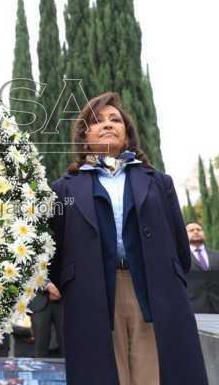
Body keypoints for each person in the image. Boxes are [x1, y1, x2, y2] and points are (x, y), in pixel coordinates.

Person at [48, 92, 208, 385]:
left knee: (155, 372)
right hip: (91, 293)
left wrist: (168, 278)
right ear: (85, 136)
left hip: (152, 288)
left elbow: (179, 245)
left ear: (127, 134)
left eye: (115, 120)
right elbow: (55, 247)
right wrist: (70, 282)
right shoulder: (63, 189)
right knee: (103, 372)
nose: (108, 124)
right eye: (98, 121)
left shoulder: (158, 181)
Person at [186, 222, 219, 313]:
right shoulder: (181, 257)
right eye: (191, 230)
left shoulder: (217, 255)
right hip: (193, 308)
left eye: (199, 229)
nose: (196, 232)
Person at [28, 281, 64, 357]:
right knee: (40, 348)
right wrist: (46, 285)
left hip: (64, 297)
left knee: (68, 344)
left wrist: (59, 287)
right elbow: (28, 269)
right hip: (38, 298)